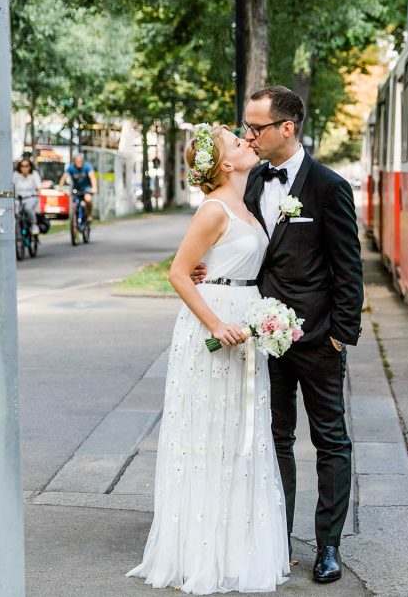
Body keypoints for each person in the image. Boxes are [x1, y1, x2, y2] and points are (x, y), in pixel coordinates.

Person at [195, 86, 364, 583]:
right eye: (245, 128)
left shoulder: (330, 188)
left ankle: (329, 546)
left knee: (331, 440)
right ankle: (278, 538)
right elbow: (238, 246)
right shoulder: (248, 184)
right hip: (258, 340)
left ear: (286, 129)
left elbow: (348, 270)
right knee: (274, 439)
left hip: (317, 340)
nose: (249, 135)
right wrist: (210, 269)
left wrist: (339, 336)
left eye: (256, 127)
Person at [127, 125, 290, 594]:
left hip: (247, 322)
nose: (247, 142)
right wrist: (216, 324)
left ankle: (238, 550)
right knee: (209, 436)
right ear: (225, 164)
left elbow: (219, 263)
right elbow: (179, 274)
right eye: (237, 143)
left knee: (243, 433)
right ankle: (202, 554)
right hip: (213, 329)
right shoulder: (214, 209)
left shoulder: (247, 200)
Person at [58, 152, 97, 221]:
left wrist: (94, 187)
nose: (79, 163)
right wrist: (60, 187)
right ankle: (74, 225)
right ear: (74, 161)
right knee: (74, 206)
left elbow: (92, 177)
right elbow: (64, 177)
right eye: (77, 161)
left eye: (80, 161)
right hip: (76, 189)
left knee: (88, 199)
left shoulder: (87, 166)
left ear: (82, 161)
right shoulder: (71, 167)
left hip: (86, 188)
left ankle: (90, 214)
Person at [13, 158, 42, 232]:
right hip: (18, 199)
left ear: (30, 167)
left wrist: (38, 196)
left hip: (31, 198)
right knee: (16, 214)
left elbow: (39, 187)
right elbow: (11, 186)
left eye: (26, 166)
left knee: (27, 208)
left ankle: (34, 224)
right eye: (22, 166)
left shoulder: (34, 174)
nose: (24, 168)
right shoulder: (16, 174)